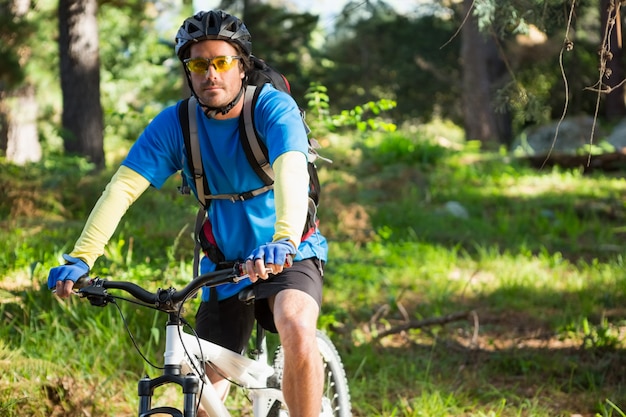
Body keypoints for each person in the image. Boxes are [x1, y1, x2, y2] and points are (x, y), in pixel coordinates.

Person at [47, 9, 327, 417]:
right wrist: (82, 257)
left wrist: (283, 238)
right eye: (198, 64)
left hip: (287, 252)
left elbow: (291, 168)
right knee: (201, 394)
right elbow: (123, 188)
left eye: (221, 62)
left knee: (296, 325)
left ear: (242, 66)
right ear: (188, 71)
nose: (210, 73)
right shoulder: (175, 124)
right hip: (222, 264)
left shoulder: (272, 108)